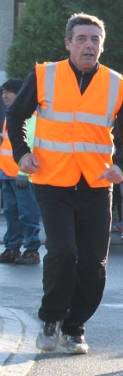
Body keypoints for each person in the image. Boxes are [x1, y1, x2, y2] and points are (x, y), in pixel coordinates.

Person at [5, 13, 123, 355]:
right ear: (68, 43)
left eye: (95, 39)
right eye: (81, 39)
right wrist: (22, 153)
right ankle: (51, 319)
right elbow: (15, 116)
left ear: (102, 46)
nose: (89, 45)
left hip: (96, 183)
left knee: (94, 263)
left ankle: (74, 327)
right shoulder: (44, 75)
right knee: (63, 252)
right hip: (52, 180)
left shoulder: (115, 84)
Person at [0, 78, 42, 265]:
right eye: (3, 92)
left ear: (19, 94)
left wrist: (23, 173)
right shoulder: (11, 115)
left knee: (27, 213)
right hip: (8, 173)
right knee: (11, 213)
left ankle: (31, 250)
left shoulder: (29, 115)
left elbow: (30, 143)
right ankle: (12, 248)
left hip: (22, 175)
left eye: (8, 92)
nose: (4, 96)